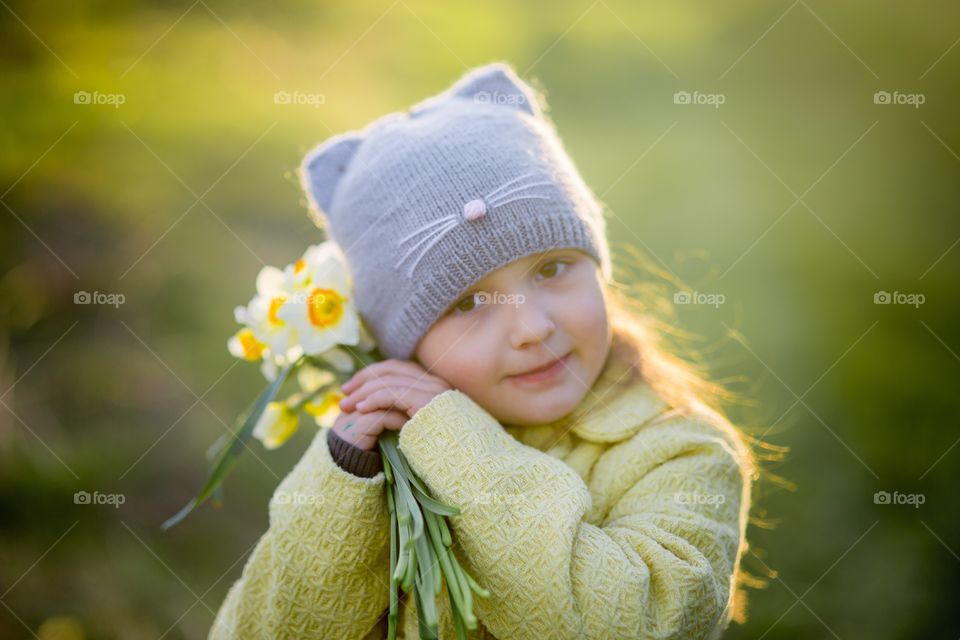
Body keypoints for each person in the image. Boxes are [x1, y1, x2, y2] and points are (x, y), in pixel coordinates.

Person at [209, 61, 758, 640]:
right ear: (401, 349)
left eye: (552, 268)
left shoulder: (680, 453)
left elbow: (640, 623)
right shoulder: (375, 469)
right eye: (469, 303)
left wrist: (459, 447)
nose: (531, 328)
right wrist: (342, 476)